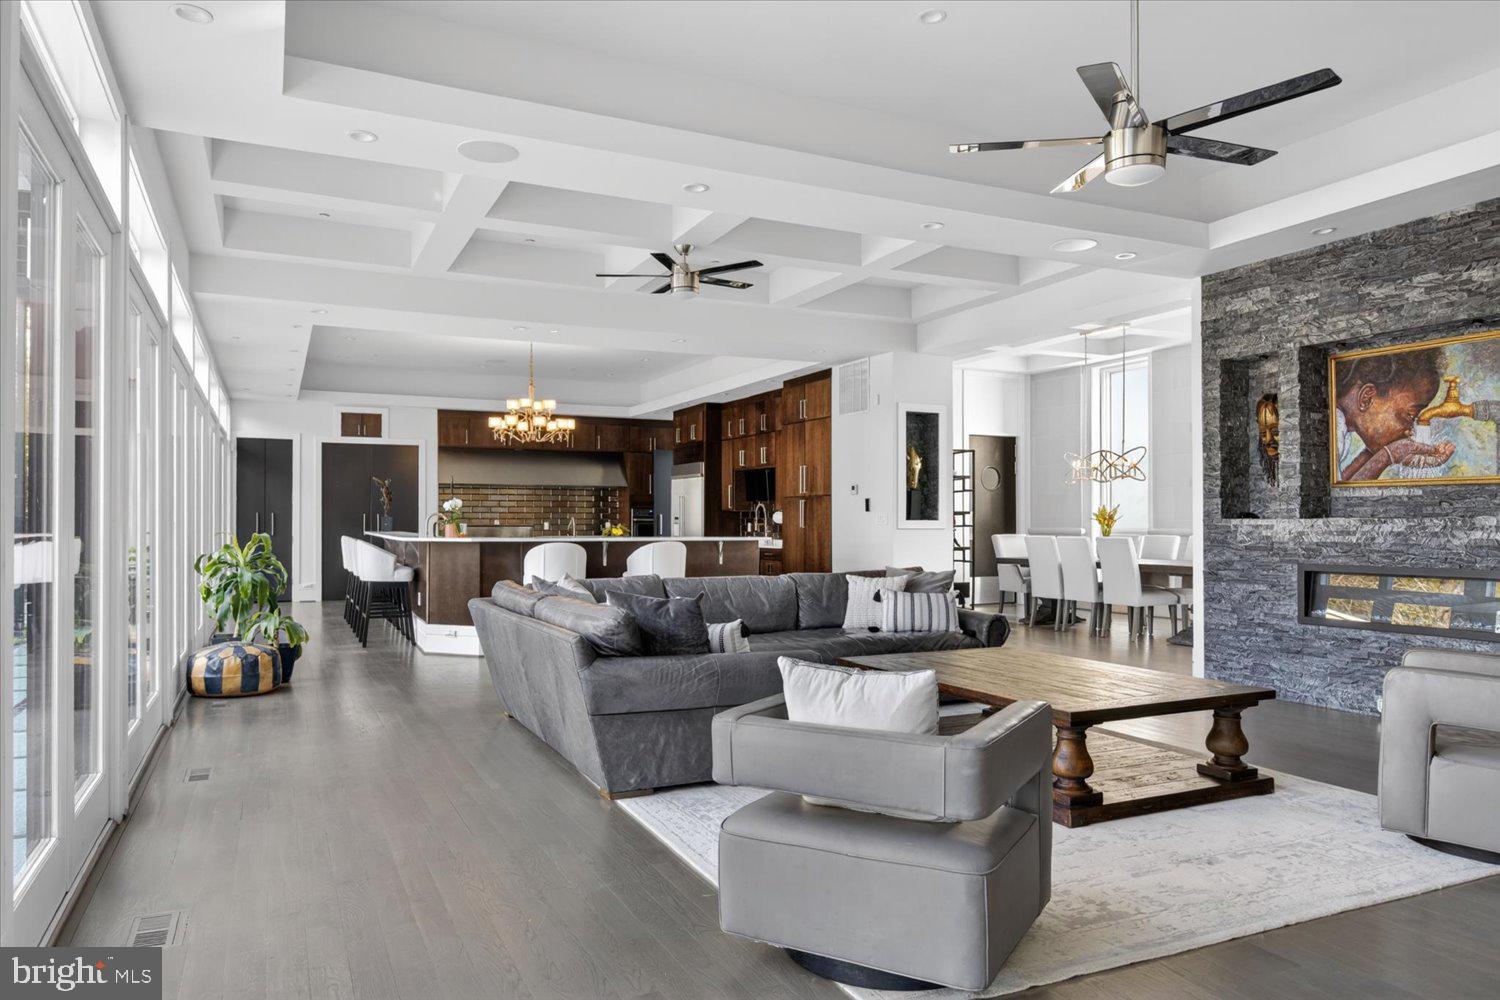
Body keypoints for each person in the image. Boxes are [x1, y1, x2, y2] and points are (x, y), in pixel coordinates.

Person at [1334, 350, 1455, 482]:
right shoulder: (1332, 429)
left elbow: (1342, 483)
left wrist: (1377, 453)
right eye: (1411, 415)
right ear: (1367, 398)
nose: (1410, 430)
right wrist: (1387, 455)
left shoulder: (1340, 424)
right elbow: (1342, 493)